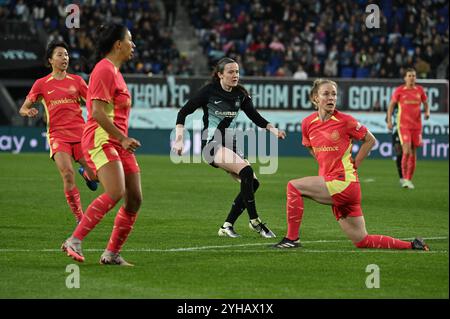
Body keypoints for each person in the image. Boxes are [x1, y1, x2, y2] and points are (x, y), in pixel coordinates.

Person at [274, 79, 429, 251]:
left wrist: (355, 163)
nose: (331, 97)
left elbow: (370, 140)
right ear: (315, 98)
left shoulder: (345, 120)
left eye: (334, 94)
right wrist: (326, 164)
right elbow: (310, 147)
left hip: (343, 182)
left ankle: (291, 239)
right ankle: (414, 245)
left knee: (293, 187)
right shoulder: (307, 123)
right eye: (326, 94)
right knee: (363, 241)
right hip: (340, 185)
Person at [173, 57, 286, 238]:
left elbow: (255, 116)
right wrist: (179, 139)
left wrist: (273, 130)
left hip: (231, 143)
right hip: (212, 144)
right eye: (231, 72)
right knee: (247, 172)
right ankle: (255, 221)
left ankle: (227, 226)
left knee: (252, 183)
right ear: (220, 75)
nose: (235, 75)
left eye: (237, 72)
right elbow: (183, 112)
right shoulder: (208, 92)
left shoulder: (240, 94)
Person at [62, 23, 142, 266]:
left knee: (135, 199)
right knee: (116, 191)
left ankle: (111, 254)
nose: (133, 45)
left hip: (117, 141)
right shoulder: (104, 70)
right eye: (130, 40)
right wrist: (122, 138)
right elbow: (96, 112)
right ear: (118, 44)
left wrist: (122, 139)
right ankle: (74, 240)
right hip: (101, 137)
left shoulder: (116, 72)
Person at [19, 40, 98, 225]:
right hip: (58, 135)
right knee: (67, 174)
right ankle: (80, 217)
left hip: (80, 134)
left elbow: (92, 103)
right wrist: (28, 111)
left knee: (96, 175)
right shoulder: (41, 84)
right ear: (50, 60)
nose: (65, 58)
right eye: (60, 55)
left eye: (67, 55)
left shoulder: (77, 81)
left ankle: (87, 174)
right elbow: (23, 108)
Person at [387, 68, 430, 189]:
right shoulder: (400, 90)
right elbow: (391, 106)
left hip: (416, 126)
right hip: (403, 126)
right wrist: (389, 121)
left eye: (414, 76)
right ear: (405, 78)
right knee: (406, 151)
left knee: (413, 153)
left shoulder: (420, 90)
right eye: (409, 75)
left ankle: (408, 179)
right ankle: (404, 179)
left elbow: (426, 103)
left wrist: (427, 112)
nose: (412, 78)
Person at [385, 105, 404, 186]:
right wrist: (389, 120)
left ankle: (406, 175)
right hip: (396, 132)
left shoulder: (405, 105)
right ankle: (401, 177)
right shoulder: (392, 107)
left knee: (405, 154)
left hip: (405, 131)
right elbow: (386, 118)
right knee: (399, 153)